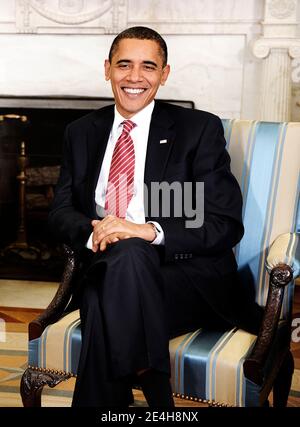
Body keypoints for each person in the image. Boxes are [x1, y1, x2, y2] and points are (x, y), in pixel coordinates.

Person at [48, 26, 263, 407]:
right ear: (107, 69)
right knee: (119, 265)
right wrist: (98, 231)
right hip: (109, 266)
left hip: (187, 278)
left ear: (164, 74)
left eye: (148, 66)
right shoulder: (81, 132)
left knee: (112, 282)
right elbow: (61, 210)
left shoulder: (198, 130)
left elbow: (223, 224)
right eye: (124, 65)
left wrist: (147, 231)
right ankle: (158, 400)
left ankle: (149, 398)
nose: (134, 77)